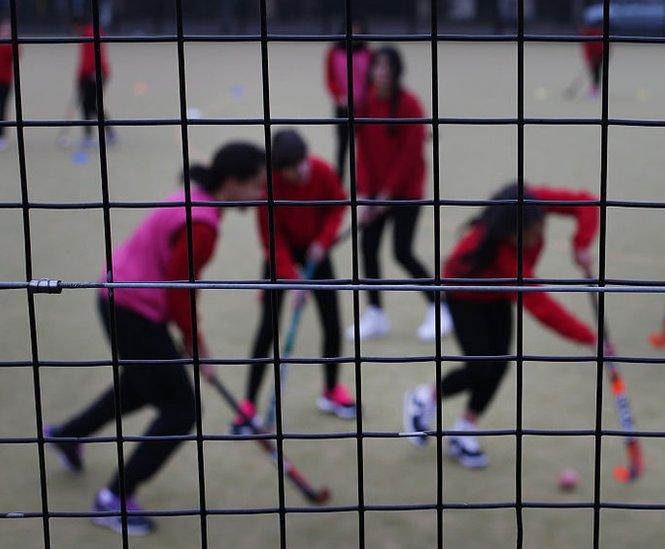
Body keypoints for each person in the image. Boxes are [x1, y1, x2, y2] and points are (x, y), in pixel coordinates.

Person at [44, 142, 267, 536]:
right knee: (182, 410)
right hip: (132, 308)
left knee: (142, 386)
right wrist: (199, 349)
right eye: (256, 185)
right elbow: (181, 292)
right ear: (231, 183)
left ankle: (69, 435)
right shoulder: (203, 223)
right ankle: (113, 500)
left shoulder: (196, 197)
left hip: (119, 297)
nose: (261, 194)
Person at [403, 183, 600, 469]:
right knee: (480, 366)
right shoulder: (504, 254)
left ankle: (463, 431)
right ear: (509, 234)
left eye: (538, 227)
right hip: (464, 293)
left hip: (497, 293)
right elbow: (541, 306)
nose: (536, 236)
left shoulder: (533, 202)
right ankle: (424, 398)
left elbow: (588, 203)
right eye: (526, 234)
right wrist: (589, 338)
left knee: (501, 364)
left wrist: (580, 244)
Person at [238, 129, 355, 428]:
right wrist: (294, 280)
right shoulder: (269, 188)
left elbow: (338, 204)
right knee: (268, 327)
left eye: (303, 162)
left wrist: (323, 241)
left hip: (315, 249)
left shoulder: (321, 170)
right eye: (293, 168)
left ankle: (331, 390)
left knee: (332, 323)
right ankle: (249, 404)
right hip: (282, 255)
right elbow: (271, 242)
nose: (301, 171)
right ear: (280, 169)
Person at [347, 45, 452, 342]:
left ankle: (440, 309)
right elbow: (363, 153)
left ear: (396, 71)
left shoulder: (410, 105)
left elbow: (409, 157)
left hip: (406, 193)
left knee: (401, 251)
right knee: (367, 248)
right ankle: (376, 314)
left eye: (386, 67)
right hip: (374, 194)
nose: (380, 72)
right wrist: (366, 195)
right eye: (376, 66)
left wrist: (387, 196)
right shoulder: (365, 103)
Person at [324, 19, 371, 180]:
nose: (354, 33)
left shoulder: (369, 54)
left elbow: (371, 82)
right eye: (351, 29)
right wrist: (339, 96)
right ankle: (339, 178)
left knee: (364, 147)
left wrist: (366, 99)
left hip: (364, 108)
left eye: (358, 29)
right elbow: (330, 79)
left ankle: (361, 180)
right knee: (343, 145)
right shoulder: (333, 53)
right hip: (342, 107)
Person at [73, 16, 115, 148]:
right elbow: (84, 59)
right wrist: (80, 77)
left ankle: (99, 134)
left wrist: (92, 73)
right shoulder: (86, 34)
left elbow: (93, 57)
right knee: (88, 105)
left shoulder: (90, 34)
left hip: (95, 75)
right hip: (89, 75)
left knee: (90, 105)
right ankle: (91, 135)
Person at [0, 18, 13, 152]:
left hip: (5, 81)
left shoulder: (9, 44)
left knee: (2, 107)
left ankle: (1, 135)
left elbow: (15, 55)